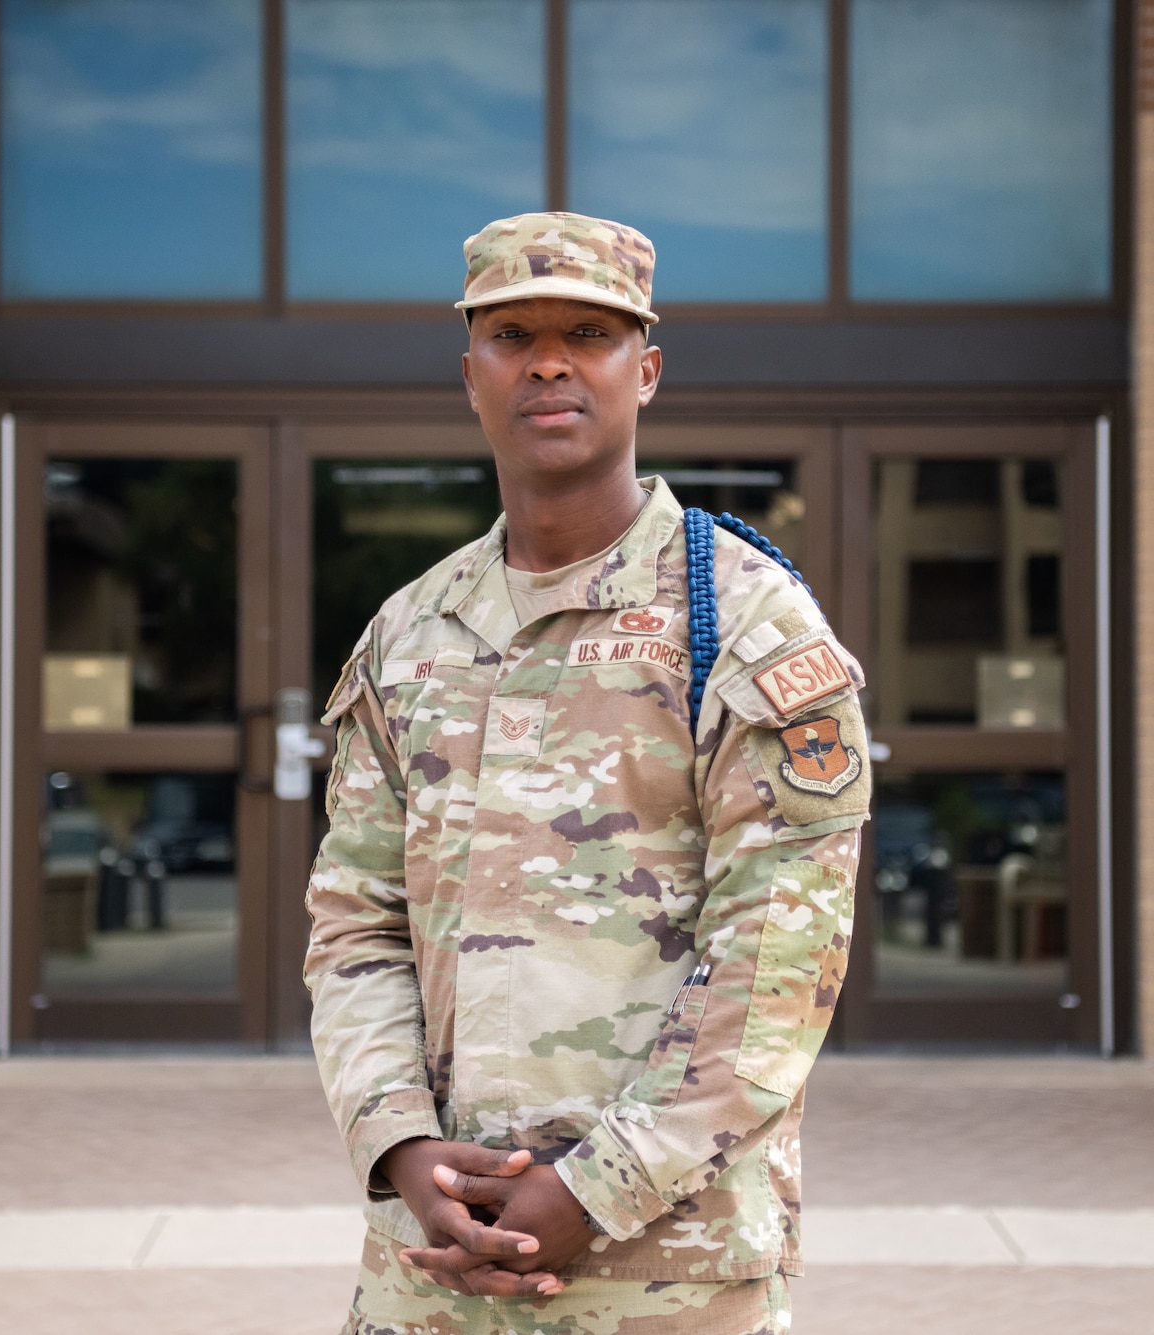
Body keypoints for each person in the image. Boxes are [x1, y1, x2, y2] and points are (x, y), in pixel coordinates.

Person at [306, 212, 870, 1335]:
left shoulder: (744, 620)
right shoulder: (411, 632)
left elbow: (778, 959)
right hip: (436, 1268)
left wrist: (593, 1188)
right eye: (511, 334)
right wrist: (401, 1148)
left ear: (644, 370)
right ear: (469, 374)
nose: (549, 361)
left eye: (589, 334)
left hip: (666, 1274)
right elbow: (354, 923)